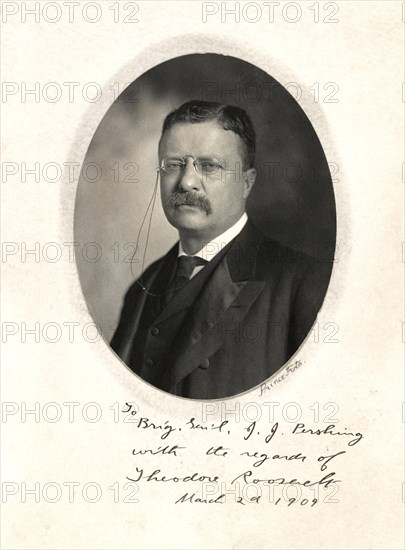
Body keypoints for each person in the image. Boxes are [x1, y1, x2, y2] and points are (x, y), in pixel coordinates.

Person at [111, 100, 331, 399]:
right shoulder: (143, 287)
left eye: (209, 166)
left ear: (247, 183)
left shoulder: (304, 283)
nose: (187, 182)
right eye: (174, 165)